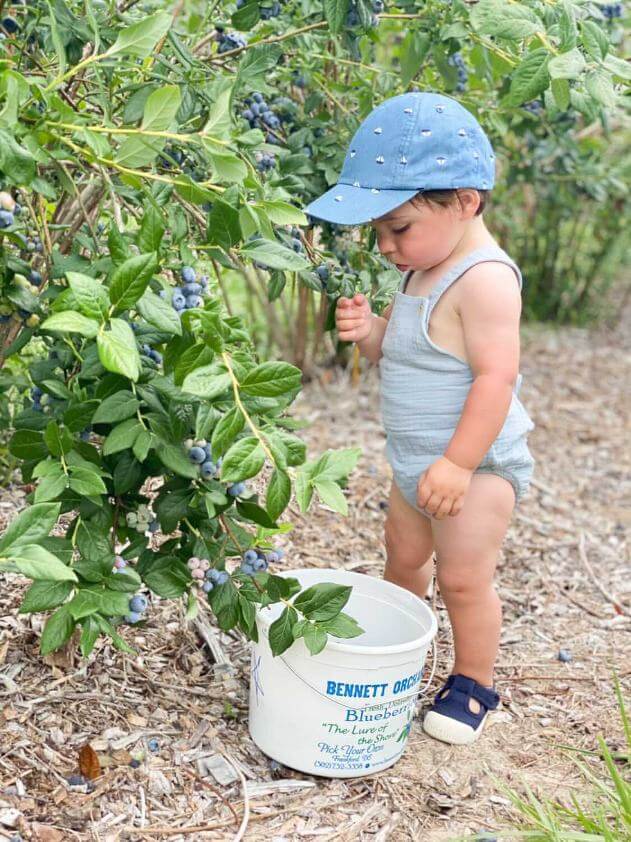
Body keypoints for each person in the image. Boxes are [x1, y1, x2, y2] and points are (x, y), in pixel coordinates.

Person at [303, 91, 535, 745]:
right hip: (417, 462)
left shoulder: (484, 280)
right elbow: (412, 354)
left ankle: (473, 683)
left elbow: (496, 376)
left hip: (475, 464)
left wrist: (459, 463)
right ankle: (394, 647)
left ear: (464, 200)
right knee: (403, 556)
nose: (384, 247)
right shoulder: (421, 267)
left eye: (396, 228)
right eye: (378, 232)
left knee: (462, 577)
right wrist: (370, 331)